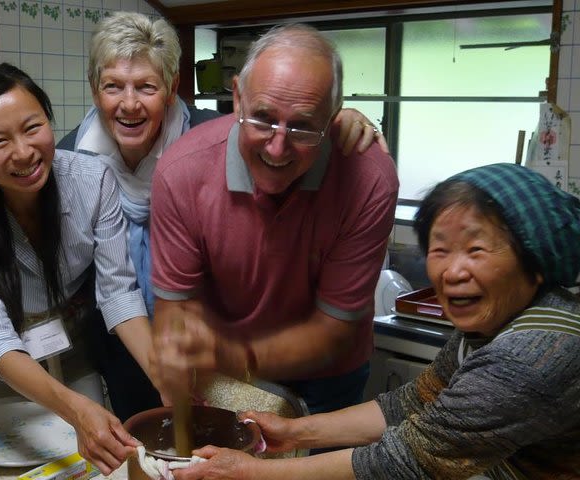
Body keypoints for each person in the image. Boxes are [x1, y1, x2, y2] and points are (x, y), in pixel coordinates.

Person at [56, 12, 389, 419]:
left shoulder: (218, 140)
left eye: (146, 86)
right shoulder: (77, 161)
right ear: (95, 91)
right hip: (158, 344)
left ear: (171, 88)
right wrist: (169, 364)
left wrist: (329, 122)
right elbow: (121, 288)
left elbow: (335, 330)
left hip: (285, 365)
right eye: (113, 86)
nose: (129, 103)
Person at [170, 162, 580, 480]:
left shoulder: (529, 358)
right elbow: (414, 401)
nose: (453, 271)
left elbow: (406, 460)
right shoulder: (488, 324)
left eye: (476, 249)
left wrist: (251, 471)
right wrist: (294, 433)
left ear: (534, 261)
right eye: (440, 249)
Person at [149, 22, 399, 421]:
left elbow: (334, 331)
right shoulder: (182, 172)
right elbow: (175, 304)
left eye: (302, 125)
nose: (278, 147)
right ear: (237, 97)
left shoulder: (368, 179)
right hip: (223, 371)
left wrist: (235, 354)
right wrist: (176, 351)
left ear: (333, 117)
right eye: (262, 118)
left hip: (327, 377)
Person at [0, 63, 149, 475]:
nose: (24, 152)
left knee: (88, 458)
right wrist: (75, 410)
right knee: (20, 465)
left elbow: (118, 293)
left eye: (33, 127)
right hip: (5, 358)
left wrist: (161, 372)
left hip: (73, 336)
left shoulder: (92, 179)